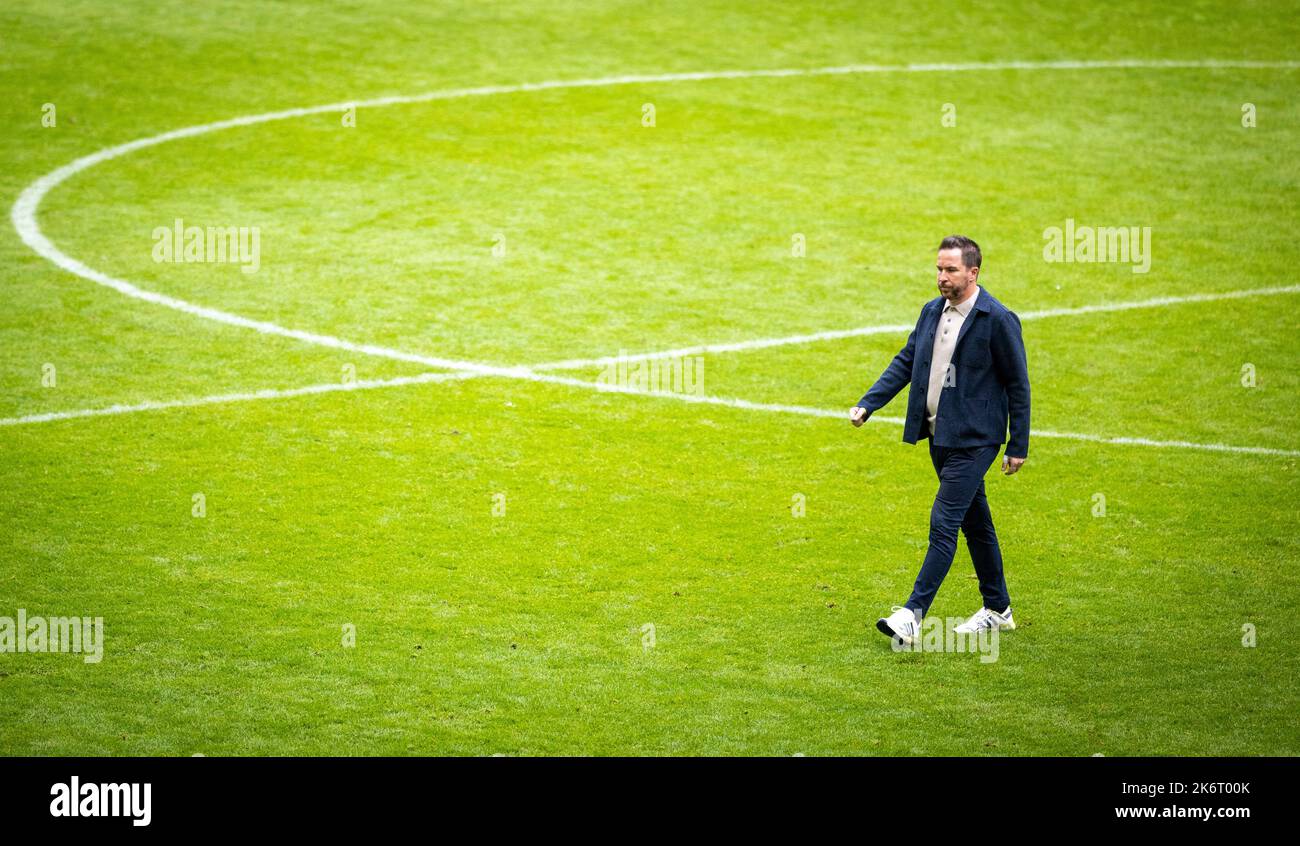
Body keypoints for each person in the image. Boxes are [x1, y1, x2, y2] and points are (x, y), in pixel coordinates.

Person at [849, 235, 1030, 645]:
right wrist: (869, 403)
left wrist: (1018, 444)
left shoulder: (997, 319)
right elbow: (907, 361)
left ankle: (912, 615)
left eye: (950, 270)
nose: (942, 277)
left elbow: (1019, 384)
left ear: (973, 272)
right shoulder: (932, 312)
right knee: (975, 522)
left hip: (976, 440)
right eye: (938, 269)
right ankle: (998, 608)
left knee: (944, 520)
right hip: (939, 435)